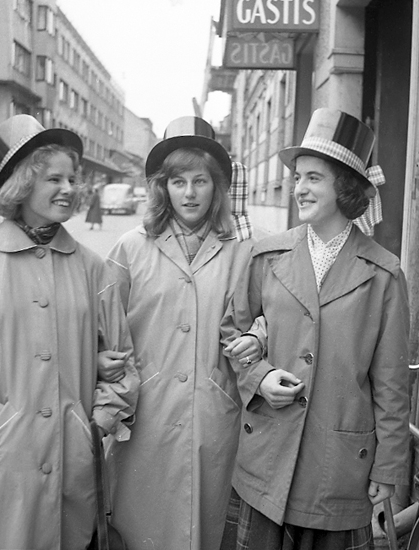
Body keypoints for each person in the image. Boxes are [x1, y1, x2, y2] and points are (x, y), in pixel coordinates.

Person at [0, 114, 139, 550]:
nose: (69, 188)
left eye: (73, 179)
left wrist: (96, 422)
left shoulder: (92, 268)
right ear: (22, 185)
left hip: (73, 460)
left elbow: (122, 360)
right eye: (54, 179)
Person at [220, 108, 410, 550]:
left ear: (344, 187)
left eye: (313, 178)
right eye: (297, 177)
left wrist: (388, 467)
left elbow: (392, 383)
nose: (299, 188)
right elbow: (232, 333)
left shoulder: (384, 274)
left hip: (338, 470)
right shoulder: (267, 256)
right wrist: (259, 377)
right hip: (267, 461)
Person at [104, 116, 263, 550]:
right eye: (178, 182)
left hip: (215, 418)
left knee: (208, 528)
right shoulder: (130, 248)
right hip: (145, 416)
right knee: (140, 530)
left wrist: (260, 335)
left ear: (217, 187)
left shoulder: (245, 251)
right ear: (163, 188)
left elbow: (270, 317)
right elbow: (104, 331)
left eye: (200, 181)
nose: (189, 193)